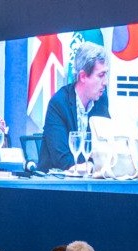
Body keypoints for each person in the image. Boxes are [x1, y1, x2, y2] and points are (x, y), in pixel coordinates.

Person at [41, 40, 112, 173]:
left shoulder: (101, 100)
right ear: (83, 76)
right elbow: (63, 161)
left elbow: (105, 149)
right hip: (55, 186)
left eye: (106, 74)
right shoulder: (58, 104)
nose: (105, 82)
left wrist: (92, 164)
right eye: (101, 75)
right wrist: (92, 164)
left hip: (89, 183)